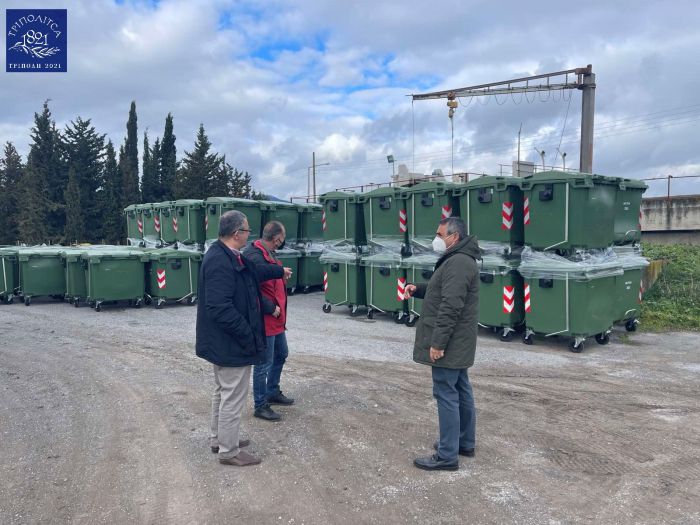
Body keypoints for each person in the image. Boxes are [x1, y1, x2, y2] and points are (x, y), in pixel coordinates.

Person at [196, 210, 292, 466]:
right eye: (248, 230)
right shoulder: (219, 260)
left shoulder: (230, 256)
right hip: (229, 343)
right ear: (237, 233)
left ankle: (220, 439)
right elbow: (219, 308)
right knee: (232, 395)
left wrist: (278, 272)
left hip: (226, 343)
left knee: (223, 392)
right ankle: (229, 451)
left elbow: (255, 272)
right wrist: (247, 334)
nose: (250, 234)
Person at [403, 217, 480, 471]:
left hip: (451, 342)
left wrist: (438, 343)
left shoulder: (458, 262)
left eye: (440, 234)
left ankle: (448, 455)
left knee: (446, 392)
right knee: (460, 388)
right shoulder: (460, 259)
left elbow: (450, 306)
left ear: (454, 236)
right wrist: (419, 289)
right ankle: (463, 442)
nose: (436, 239)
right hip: (459, 342)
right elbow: (443, 291)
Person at [243, 220, 295, 422]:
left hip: (277, 318)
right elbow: (251, 289)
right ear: (276, 239)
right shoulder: (253, 255)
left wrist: (282, 275)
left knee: (281, 353)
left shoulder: (269, 253)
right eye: (281, 240)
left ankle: (272, 391)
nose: (281, 244)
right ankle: (260, 405)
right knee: (264, 362)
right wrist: (269, 307)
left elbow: (269, 277)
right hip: (266, 317)